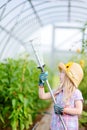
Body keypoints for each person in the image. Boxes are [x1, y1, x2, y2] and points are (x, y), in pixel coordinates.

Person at [38, 62, 84, 130]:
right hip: (56, 126)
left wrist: (63, 110)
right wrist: (41, 83)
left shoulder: (76, 93)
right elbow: (42, 96)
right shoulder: (58, 91)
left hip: (68, 127)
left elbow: (79, 110)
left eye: (62, 72)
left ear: (70, 77)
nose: (59, 74)